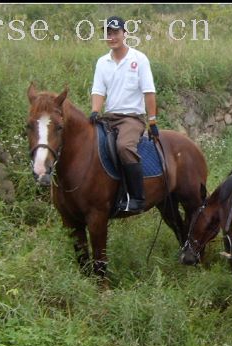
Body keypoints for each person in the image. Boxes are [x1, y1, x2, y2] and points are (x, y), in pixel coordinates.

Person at [89, 16, 160, 213]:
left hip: (131, 118)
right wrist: (95, 110)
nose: (112, 37)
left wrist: (152, 120)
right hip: (109, 116)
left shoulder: (139, 59)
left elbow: (149, 92)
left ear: (124, 34)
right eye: (108, 34)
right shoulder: (102, 62)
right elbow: (98, 91)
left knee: (124, 146)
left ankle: (137, 197)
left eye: (115, 32)